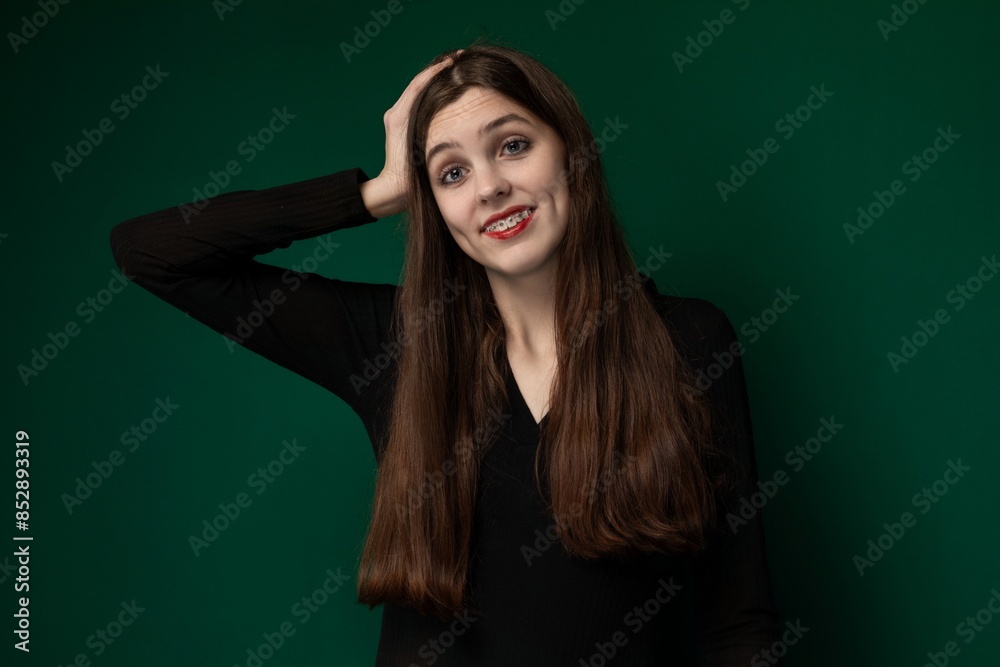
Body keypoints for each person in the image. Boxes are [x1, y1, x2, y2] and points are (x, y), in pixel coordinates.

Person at [109, 42, 782, 666]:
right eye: (451, 171)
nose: (489, 186)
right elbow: (151, 252)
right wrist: (379, 191)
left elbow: (739, 620)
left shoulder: (690, 341)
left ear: (572, 151)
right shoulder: (395, 345)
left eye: (512, 145)